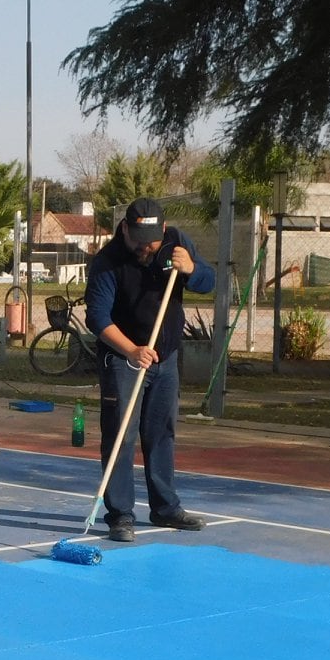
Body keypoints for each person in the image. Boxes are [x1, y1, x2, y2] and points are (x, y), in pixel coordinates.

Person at [85, 196, 216, 542]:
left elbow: (209, 280)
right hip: (124, 358)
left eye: (153, 239)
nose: (148, 246)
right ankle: (121, 514)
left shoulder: (175, 243)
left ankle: (165, 507)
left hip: (167, 355)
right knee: (121, 434)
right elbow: (97, 318)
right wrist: (132, 350)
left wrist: (191, 269)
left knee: (161, 431)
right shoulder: (107, 262)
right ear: (125, 229)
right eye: (140, 240)